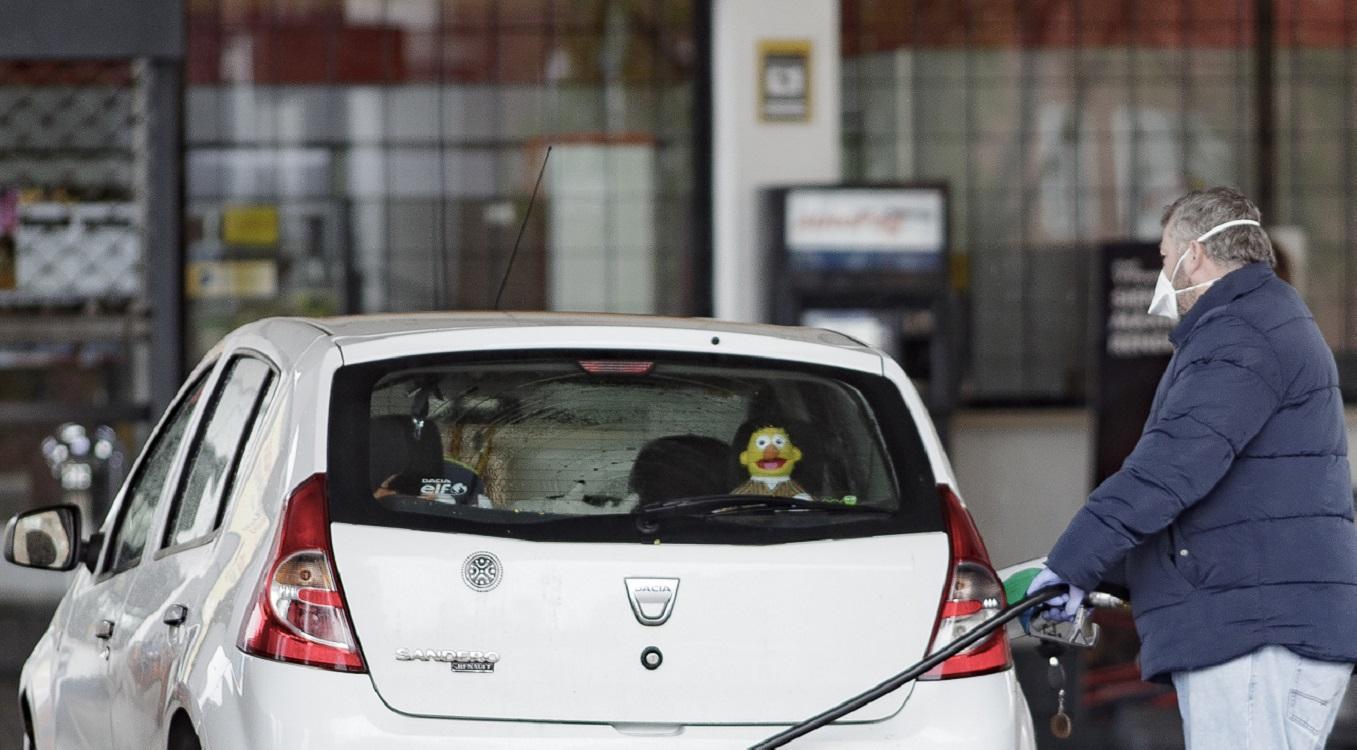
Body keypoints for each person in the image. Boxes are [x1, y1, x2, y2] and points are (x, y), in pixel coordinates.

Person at [1028, 187, 1357, 748]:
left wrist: (1072, 564)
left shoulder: (1242, 333)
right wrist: (1102, 574)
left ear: (1195, 254)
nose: (1162, 274)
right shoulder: (1261, 321)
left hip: (1252, 632)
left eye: (1162, 258)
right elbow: (1220, 497)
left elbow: (1168, 471)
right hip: (1263, 623)